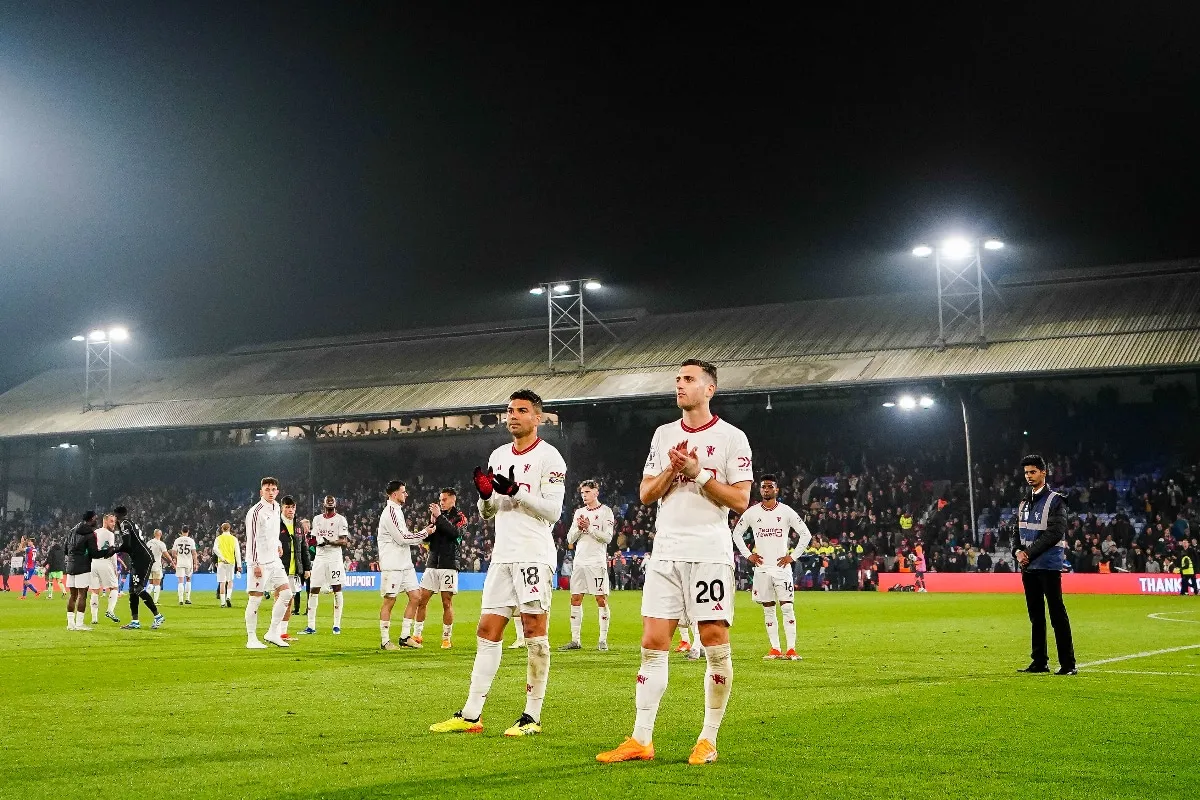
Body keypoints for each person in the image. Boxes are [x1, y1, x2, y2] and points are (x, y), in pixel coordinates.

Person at [598, 359, 752, 766]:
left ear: (709, 389)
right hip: (665, 552)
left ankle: (708, 739)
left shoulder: (732, 437)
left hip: (709, 554)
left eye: (689, 379)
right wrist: (672, 467)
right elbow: (646, 494)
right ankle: (641, 739)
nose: (680, 385)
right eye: (678, 379)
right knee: (652, 642)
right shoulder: (664, 434)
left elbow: (740, 500)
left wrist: (698, 473)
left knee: (714, 641)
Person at [430, 389, 567, 737]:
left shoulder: (550, 457)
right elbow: (488, 512)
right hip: (503, 556)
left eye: (521, 410)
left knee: (534, 632)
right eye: (509, 410)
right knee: (487, 630)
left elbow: (553, 512)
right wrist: (485, 495)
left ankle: (532, 716)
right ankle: (471, 714)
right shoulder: (499, 455)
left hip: (533, 555)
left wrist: (516, 491)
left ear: (537, 418)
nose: (513, 416)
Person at [731, 475, 811, 660]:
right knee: (768, 609)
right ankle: (775, 648)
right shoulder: (752, 512)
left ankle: (791, 649)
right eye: (763, 487)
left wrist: (792, 557)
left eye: (770, 486)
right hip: (762, 569)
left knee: (787, 608)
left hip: (782, 569)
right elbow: (736, 534)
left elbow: (805, 534)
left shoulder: (786, 511)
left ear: (777, 489)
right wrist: (748, 555)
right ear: (760, 490)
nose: (766, 489)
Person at [1013, 454, 1077, 676]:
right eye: (1026, 473)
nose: (1029, 476)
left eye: (1033, 472)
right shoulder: (1023, 502)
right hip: (1028, 566)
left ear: (1043, 473)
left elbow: (1055, 533)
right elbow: (1016, 532)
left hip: (1048, 565)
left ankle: (1068, 664)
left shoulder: (1056, 500)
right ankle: (1039, 661)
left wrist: (1027, 553)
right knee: (1036, 616)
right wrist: (1016, 551)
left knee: (1057, 614)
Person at [560, 480, 615, 652]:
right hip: (580, 562)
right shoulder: (579, 512)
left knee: (600, 599)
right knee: (575, 598)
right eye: (582, 493)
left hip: (596, 562)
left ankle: (602, 640)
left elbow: (608, 538)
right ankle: (575, 640)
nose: (584, 495)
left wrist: (589, 528)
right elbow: (570, 539)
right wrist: (579, 527)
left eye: (587, 492)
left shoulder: (606, 512)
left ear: (596, 492)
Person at [377, 480, 432, 650]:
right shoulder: (390, 513)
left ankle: (405, 637)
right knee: (390, 601)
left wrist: (421, 536)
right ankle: (385, 641)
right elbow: (402, 538)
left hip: (405, 564)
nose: (406, 494)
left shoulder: (398, 511)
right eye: (403, 491)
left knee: (416, 596)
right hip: (393, 564)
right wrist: (424, 533)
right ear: (395, 494)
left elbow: (406, 535)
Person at [415, 487, 467, 649]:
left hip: (449, 564)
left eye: (444, 499)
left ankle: (446, 638)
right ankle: (417, 635)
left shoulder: (460, 517)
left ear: (453, 499)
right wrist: (431, 523)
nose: (441, 502)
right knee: (421, 600)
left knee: (446, 603)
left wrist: (439, 518)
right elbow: (427, 540)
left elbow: (455, 533)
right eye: (440, 500)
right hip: (432, 563)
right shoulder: (437, 517)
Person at [244, 477, 292, 649]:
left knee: (286, 593)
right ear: (261, 492)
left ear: (277, 491)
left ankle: (272, 632)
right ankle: (251, 639)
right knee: (255, 599)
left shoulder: (277, 507)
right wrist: (256, 563)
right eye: (267, 490)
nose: (270, 493)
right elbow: (252, 539)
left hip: (274, 560)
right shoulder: (255, 512)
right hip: (260, 562)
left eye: (273, 490)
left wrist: (278, 544)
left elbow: (273, 531)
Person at [302, 496, 351, 635]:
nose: (330, 503)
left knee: (337, 588)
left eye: (332, 502)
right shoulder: (317, 519)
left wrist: (328, 541)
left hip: (334, 558)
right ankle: (311, 626)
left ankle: (336, 625)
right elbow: (313, 539)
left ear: (335, 504)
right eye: (328, 502)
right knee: (314, 589)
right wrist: (312, 540)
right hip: (320, 557)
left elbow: (344, 541)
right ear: (323, 504)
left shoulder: (341, 520)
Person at [113, 510, 165, 631]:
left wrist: (114, 550)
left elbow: (126, 545)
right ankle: (135, 621)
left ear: (117, 516)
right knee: (132, 590)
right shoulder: (129, 523)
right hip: (137, 559)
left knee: (138, 588)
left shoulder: (124, 524)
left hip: (142, 559)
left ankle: (158, 616)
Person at [65, 511, 113, 630]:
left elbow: (65, 550)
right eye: (95, 518)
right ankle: (79, 623)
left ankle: (70, 624)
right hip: (83, 567)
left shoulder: (72, 531)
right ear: (91, 519)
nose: (96, 520)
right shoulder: (90, 534)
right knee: (82, 595)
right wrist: (108, 551)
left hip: (70, 566)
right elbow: (94, 553)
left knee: (73, 595)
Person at [278, 497, 310, 640]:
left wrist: (307, 567)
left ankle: (283, 632)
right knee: (279, 598)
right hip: (279, 567)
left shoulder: (298, 525)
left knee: (289, 599)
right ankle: (275, 630)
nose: (290, 510)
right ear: (282, 508)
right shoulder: (276, 524)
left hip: (294, 569)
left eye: (292, 507)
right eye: (287, 507)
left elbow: (304, 548)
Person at [89, 514, 122, 624]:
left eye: (114, 521)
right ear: (105, 521)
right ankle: (110, 611)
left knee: (95, 591)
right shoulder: (109, 534)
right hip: (105, 562)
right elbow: (112, 551)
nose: (114, 524)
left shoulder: (95, 532)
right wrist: (115, 568)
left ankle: (94, 618)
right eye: (111, 521)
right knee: (114, 587)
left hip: (93, 563)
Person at [215, 522, 242, 608]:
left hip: (222, 562)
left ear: (222, 529)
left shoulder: (218, 538)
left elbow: (215, 549)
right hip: (231, 562)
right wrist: (239, 565)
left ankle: (223, 603)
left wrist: (222, 558)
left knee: (222, 582)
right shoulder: (234, 539)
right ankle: (228, 597)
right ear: (229, 528)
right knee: (230, 581)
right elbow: (237, 552)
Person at [172, 525, 197, 605]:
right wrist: (195, 563)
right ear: (188, 531)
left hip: (180, 563)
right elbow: (194, 553)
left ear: (181, 531)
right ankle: (187, 599)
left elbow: (173, 553)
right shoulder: (191, 541)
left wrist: (178, 557)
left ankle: (180, 600)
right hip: (188, 563)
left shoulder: (177, 540)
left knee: (180, 581)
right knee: (188, 579)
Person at [147, 529, 173, 603]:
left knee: (151, 583)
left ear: (154, 534)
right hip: (156, 565)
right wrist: (171, 561)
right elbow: (166, 554)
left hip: (149, 565)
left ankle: (146, 597)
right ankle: (155, 601)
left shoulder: (149, 543)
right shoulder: (161, 543)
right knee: (157, 584)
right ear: (161, 535)